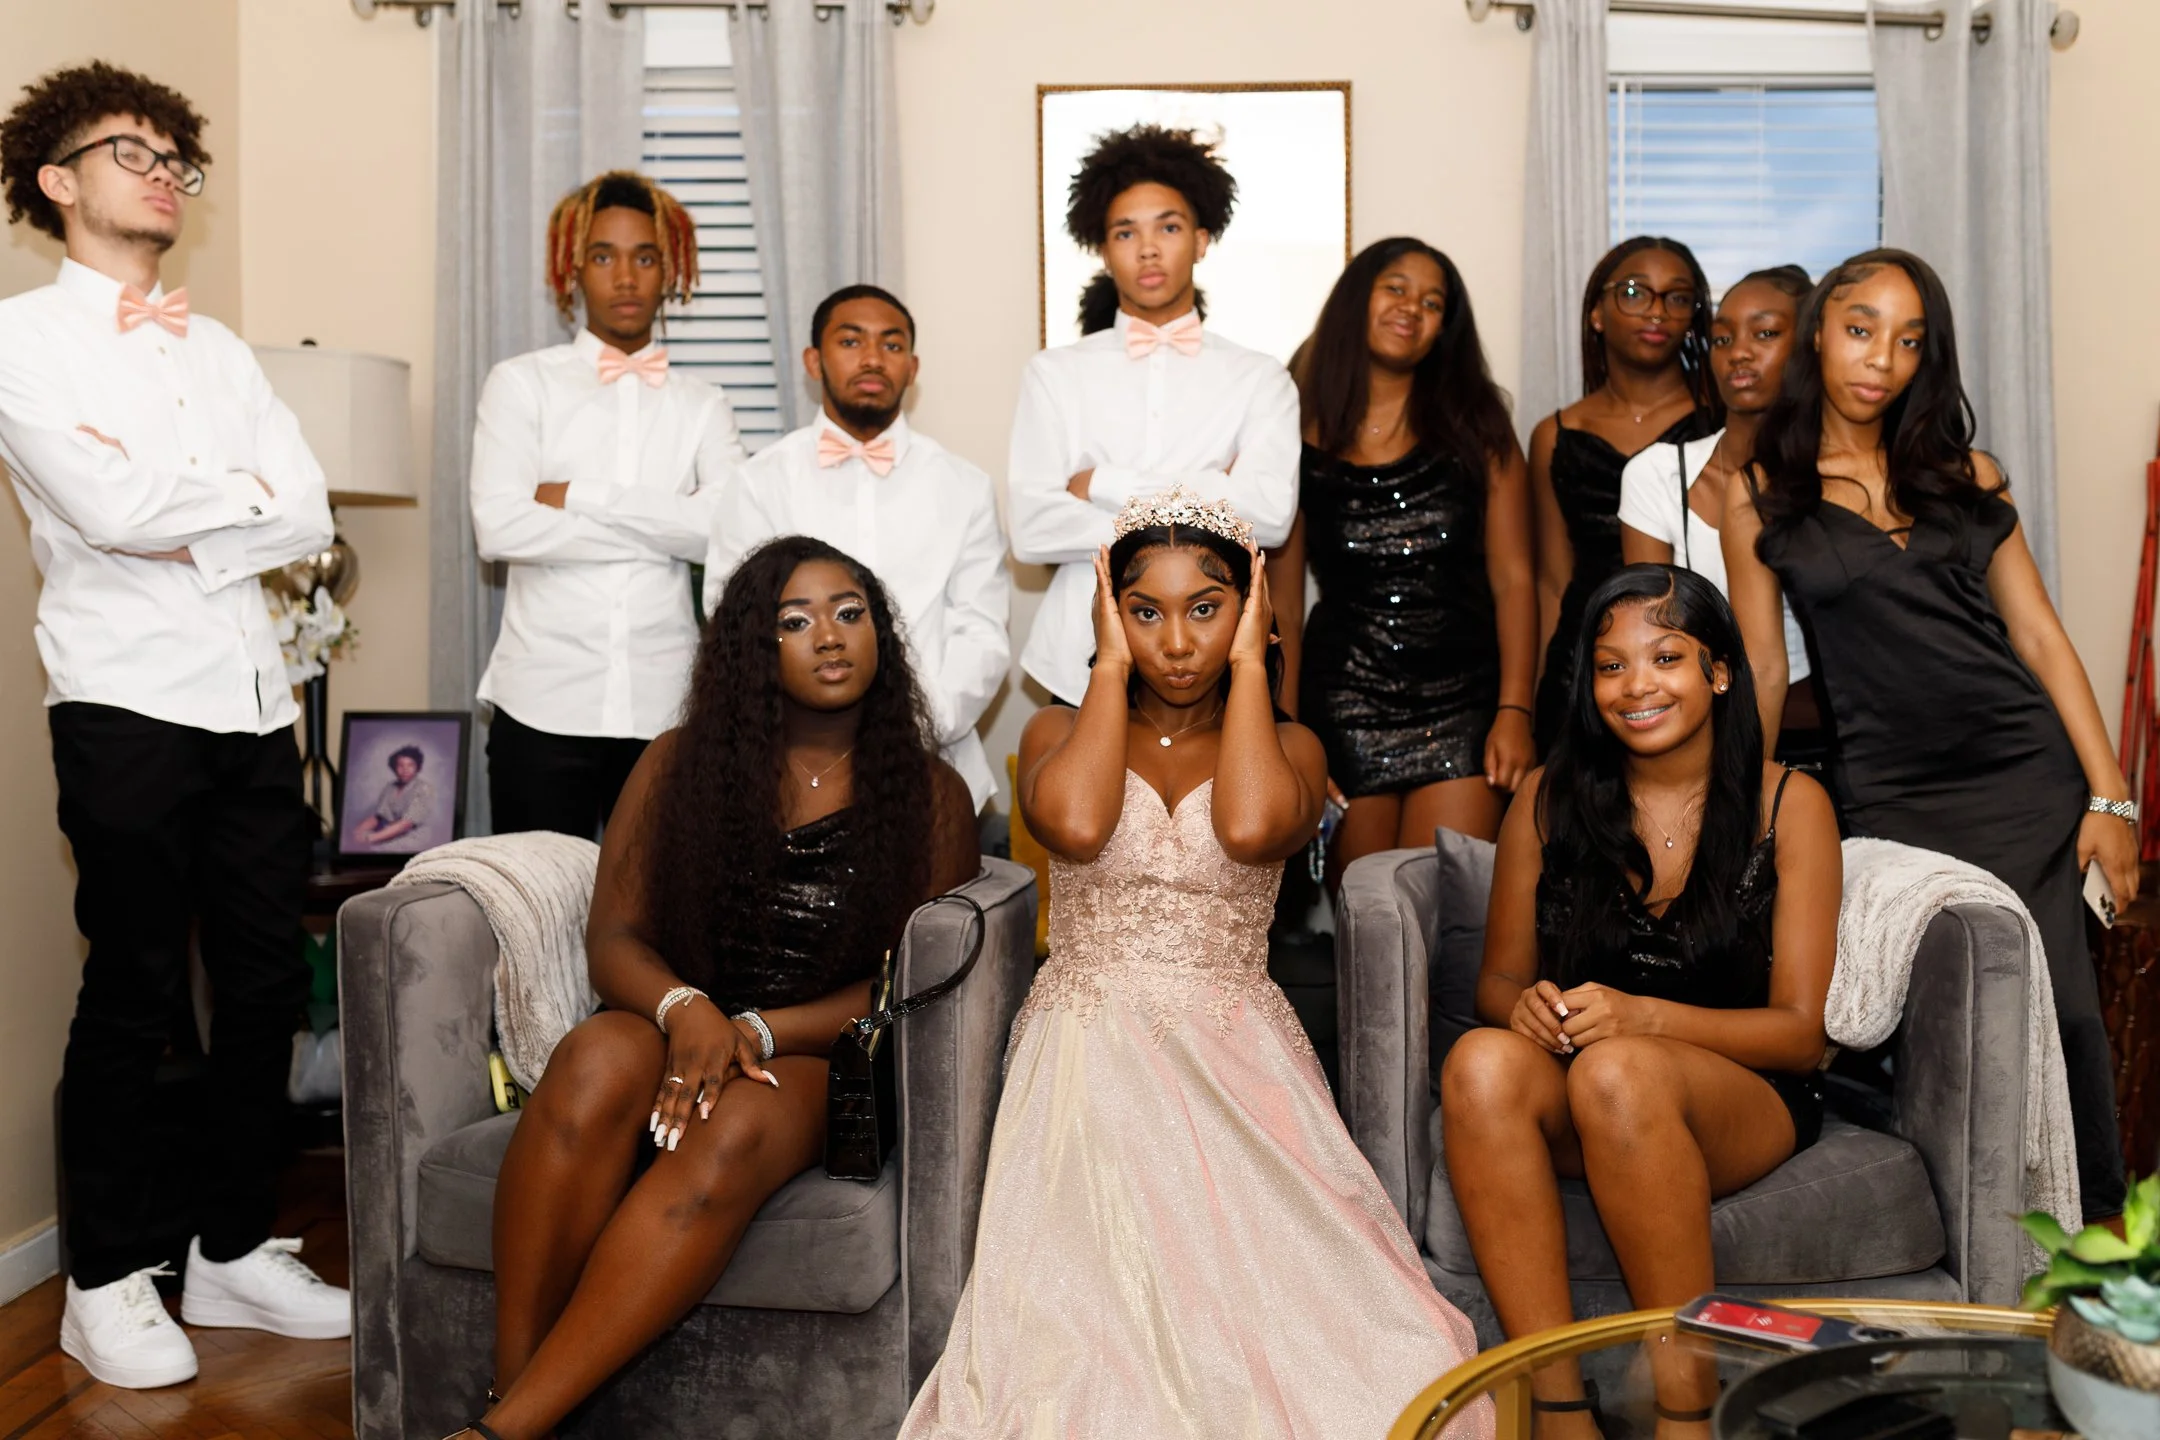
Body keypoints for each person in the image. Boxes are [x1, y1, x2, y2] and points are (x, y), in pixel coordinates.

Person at [899, 489, 1490, 1440]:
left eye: (1207, 609)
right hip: (1088, 1058)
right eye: (1145, 611)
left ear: (1251, 610)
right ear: (1110, 615)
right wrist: (1103, 667)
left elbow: (1252, 827)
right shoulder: (1055, 733)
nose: (1176, 640)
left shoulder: (1290, 744)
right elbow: (1081, 826)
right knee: (1090, 1350)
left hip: (1239, 1057)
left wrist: (1253, 664)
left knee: (1357, 1344)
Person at [446, 537, 980, 1440]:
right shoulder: (676, 763)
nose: (830, 637)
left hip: (820, 1049)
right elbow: (612, 938)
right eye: (795, 620)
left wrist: (761, 1031)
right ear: (751, 647)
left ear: (881, 634)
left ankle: (502, 1433)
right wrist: (685, 1008)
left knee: (734, 1124)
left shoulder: (931, 795)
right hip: (679, 1019)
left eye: (851, 613)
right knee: (591, 1058)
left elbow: (910, 986)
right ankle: (516, 1393)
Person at [0, 61, 350, 1388]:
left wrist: (191, 510)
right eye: (129, 150)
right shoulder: (20, 339)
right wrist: (225, 506)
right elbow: (109, 509)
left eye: (173, 156)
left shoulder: (223, 348)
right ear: (57, 177)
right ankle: (102, 1278)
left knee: (265, 981)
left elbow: (305, 510)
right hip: (123, 700)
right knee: (137, 983)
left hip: (250, 695)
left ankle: (232, 1245)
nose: (159, 171)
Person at [1722, 248, 2134, 1222]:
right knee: (1941, 1026)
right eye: (1861, 328)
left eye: (1908, 341)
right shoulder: (1761, 495)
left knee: (2064, 1018)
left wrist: (2111, 796)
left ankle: (2091, 1262)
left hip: (2024, 778)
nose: (1880, 359)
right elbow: (1764, 669)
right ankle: (1970, 1237)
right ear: (1819, 330)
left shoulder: (1967, 474)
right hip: (1897, 795)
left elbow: (2038, 635)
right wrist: (1742, 806)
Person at [1444, 565, 1840, 1439]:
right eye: (1611, 665)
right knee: (1478, 1065)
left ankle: (1686, 1413)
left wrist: (1640, 1019)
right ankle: (1554, 1409)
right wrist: (1525, 1008)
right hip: (1585, 1086)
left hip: (1744, 1094)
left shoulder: (1789, 803)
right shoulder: (1549, 798)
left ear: (1720, 670)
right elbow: (1495, 983)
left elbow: (1801, 1036)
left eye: (1666, 657)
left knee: (1620, 1071)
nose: (1637, 686)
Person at [471, 170, 746, 838]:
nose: (626, 277)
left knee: (658, 925)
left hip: (665, 709)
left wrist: (577, 497)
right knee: (534, 923)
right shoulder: (520, 384)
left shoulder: (703, 402)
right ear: (572, 269)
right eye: (604, 256)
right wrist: (666, 522)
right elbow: (499, 526)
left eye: (645, 257)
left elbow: (729, 532)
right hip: (540, 703)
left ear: (670, 269)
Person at [1008, 123, 1299, 706]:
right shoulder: (1054, 373)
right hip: (1077, 658)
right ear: (1102, 247)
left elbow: (1267, 517)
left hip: (1214, 659)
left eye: (1168, 227)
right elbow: (1033, 529)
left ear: (1202, 239)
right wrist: (1217, 488)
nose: (1147, 248)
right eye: (1125, 232)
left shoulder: (1259, 376)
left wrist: (1104, 485)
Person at [1277, 237, 1538, 870]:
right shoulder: (1291, 421)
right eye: (1395, 288)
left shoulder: (1479, 424)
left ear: (1444, 327)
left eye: (1433, 301)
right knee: (1368, 917)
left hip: (1465, 697)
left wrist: (1515, 710)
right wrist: (1282, 731)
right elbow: (1280, 599)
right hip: (1345, 696)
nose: (1411, 308)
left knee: (1448, 913)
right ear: (1357, 299)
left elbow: (1516, 580)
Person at [705, 284, 1010, 810]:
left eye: (891, 346)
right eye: (851, 341)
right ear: (813, 359)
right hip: (788, 776)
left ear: (912, 368)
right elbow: (735, 621)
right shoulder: (759, 482)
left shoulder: (965, 485)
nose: (872, 358)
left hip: (933, 764)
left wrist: (915, 724)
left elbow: (981, 630)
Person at [1620, 265, 1827, 766]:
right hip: (1702, 744)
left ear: (1812, 348)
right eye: (1722, 337)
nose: (1739, 352)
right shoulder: (1658, 474)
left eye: (1766, 333)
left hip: (1842, 742)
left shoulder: (1839, 481)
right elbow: (1649, 639)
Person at [1531, 236, 1722, 755]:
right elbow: (1552, 581)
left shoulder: (1723, 419)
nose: (1658, 310)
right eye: (1636, 292)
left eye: (1678, 297)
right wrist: (1531, 701)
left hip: (1686, 665)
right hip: (1583, 660)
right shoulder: (1555, 434)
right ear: (1596, 313)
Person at [352, 745, 433, 848]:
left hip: (413, 838)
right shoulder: (390, 787)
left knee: (374, 849)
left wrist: (370, 838)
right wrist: (359, 831)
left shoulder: (424, 789)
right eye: (400, 765)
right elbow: (379, 817)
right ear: (394, 768)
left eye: (410, 765)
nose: (405, 770)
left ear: (418, 767)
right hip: (389, 833)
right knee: (357, 844)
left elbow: (406, 824)